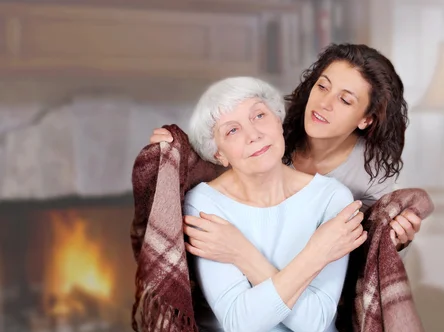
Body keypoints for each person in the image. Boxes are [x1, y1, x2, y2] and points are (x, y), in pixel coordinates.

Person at [150, 43, 422, 259]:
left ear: (367, 119)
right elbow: (222, 145)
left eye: (345, 99)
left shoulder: (371, 175)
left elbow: (372, 253)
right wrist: (183, 149)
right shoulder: (269, 119)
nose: (324, 103)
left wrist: (399, 241)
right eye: (322, 86)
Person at [183, 76, 363, 332]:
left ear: (279, 122)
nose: (253, 135)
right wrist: (317, 252)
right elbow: (242, 325)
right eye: (232, 130)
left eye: (259, 115)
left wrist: (241, 253)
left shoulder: (332, 198)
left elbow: (313, 322)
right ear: (218, 154)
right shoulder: (204, 204)